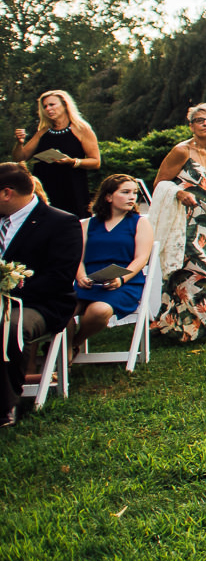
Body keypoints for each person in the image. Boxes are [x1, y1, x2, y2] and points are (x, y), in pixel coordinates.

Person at [150, 103, 206, 346]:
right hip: (183, 220)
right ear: (190, 126)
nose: (205, 123)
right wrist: (179, 193)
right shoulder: (181, 151)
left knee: (184, 273)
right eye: (199, 120)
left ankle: (167, 324)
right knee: (200, 272)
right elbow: (159, 183)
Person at [0, 161, 84, 426]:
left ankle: (4, 405)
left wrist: (8, 293)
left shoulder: (61, 223)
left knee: (8, 325)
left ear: (6, 193)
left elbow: (58, 279)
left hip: (40, 304)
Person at [72, 174, 154, 341]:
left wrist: (121, 279)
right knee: (60, 309)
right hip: (88, 281)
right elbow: (77, 258)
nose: (132, 197)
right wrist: (81, 277)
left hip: (124, 282)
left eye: (134, 193)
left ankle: (75, 342)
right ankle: (60, 353)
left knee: (99, 311)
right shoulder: (86, 224)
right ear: (108, 196)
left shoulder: (140, 223)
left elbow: (141, 259)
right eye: (125, 192)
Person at [10, 89, 100, 218]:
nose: (48, 109)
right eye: (45, 106)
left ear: (65, 105)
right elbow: (20, 157)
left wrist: (73, 161)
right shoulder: (43, 131)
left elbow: (96, 162)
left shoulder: (81, 129)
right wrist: (19, 143)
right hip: (46, 187)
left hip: (71, 187)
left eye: (52, 104)